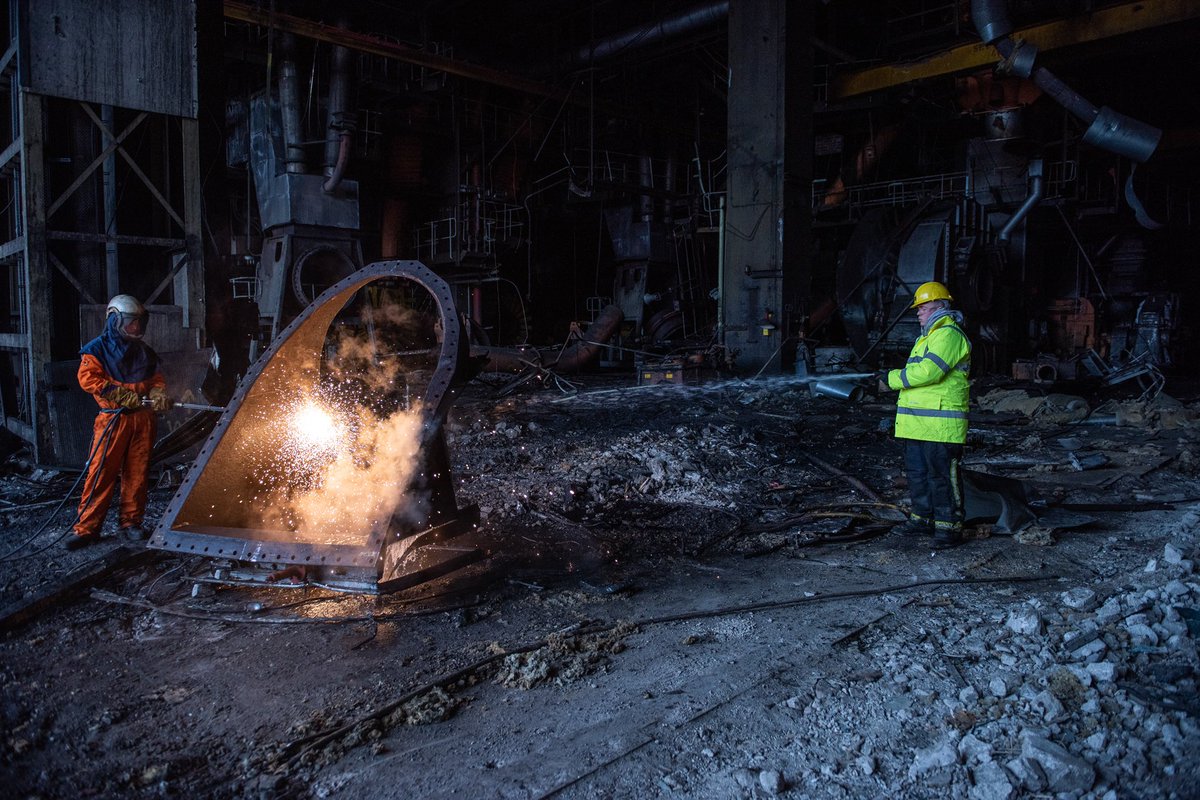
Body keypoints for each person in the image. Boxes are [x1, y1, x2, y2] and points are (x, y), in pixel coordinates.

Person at [66, 295, 172, 550]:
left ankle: (131, 523)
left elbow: (156, 380)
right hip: (114, 420)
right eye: (131, 322)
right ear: (115, 320)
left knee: (137, 474)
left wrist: (158, 395)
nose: (136, 327)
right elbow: (88, 378)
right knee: (101, 473)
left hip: (142, 420)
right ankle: (87, 529)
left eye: (139, 322)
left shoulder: (144, 352)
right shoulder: (97, 349)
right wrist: (119, 394)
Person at [876, 281, 971, 549]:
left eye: (923, 308)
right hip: (918, 425)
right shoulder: (927, 337)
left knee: (941, 477)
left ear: (939, 307)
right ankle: (922, 520)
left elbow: (929, 372)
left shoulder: (949, 335)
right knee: (918, 475)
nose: (918, 312)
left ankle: (948, 528)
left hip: (941, 426)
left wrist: (891, 379)